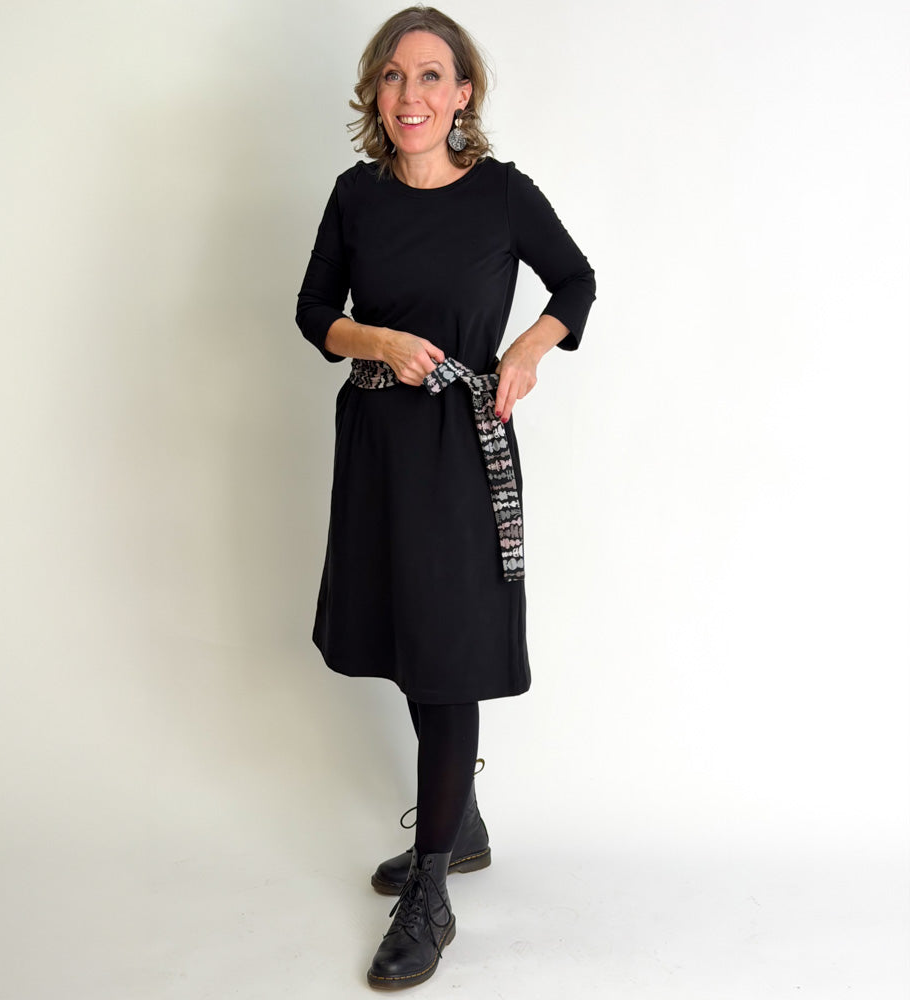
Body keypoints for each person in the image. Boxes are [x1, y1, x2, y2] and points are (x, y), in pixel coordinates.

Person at [295, 6, 595, 990]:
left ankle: (430, 888)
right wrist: (376, 339)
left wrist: (526, 352)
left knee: (448, 650)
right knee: (403, 636)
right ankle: (456, 821)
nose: (410, 94)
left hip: (460, 449)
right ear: (375, 94)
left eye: (431, 75)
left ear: (463, 93)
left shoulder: (502, 195)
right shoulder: (356, 196)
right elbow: (313, 314)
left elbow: (575, 281)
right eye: (393, 76)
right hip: (375, 445)